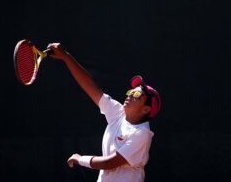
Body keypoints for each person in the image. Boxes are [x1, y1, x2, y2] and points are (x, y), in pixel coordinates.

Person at [47, 43, 161, 182]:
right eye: (131, 91)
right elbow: (89, 85)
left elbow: (109, 164)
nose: (130, 95)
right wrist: (66, 56)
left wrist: (80, 159)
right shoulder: (118, 113)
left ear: (146, 109)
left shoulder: (142, 134)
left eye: (137, 94)